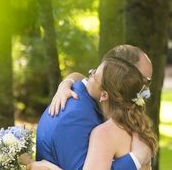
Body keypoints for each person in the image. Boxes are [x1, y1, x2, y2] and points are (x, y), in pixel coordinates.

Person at [22, 45, 154, 170]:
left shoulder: (104, 126)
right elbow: (80, 77)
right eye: (144, 80)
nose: (90, 73)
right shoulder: (76, 117)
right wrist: (136, 159)